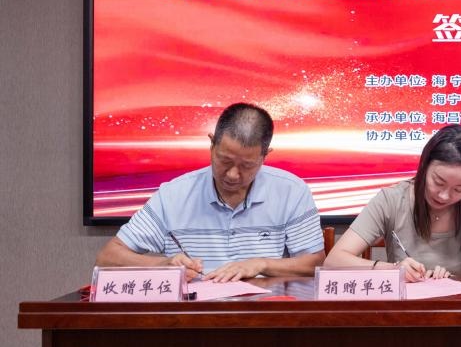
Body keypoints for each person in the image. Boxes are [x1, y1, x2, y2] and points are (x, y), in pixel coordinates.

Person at [95, 103, 324, 281]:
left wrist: (261, 264)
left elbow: (315, 263)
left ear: (265, 156)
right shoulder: (174, 194)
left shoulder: (291, 191)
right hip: (192, 318)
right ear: (212, 144)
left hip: (262, 316)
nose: (232, 175)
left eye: (246, 165)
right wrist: (163, 265)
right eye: (225, 160)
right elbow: (108, 257)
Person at [324, 124, 461, 281]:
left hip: (459, 309)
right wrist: (394, 270)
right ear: (424, 166)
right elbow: (333, 261)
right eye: (438, 182)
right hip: (403, 309)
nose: (444, 196)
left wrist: (452, 280)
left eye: (460, 189)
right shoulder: (392, 200)